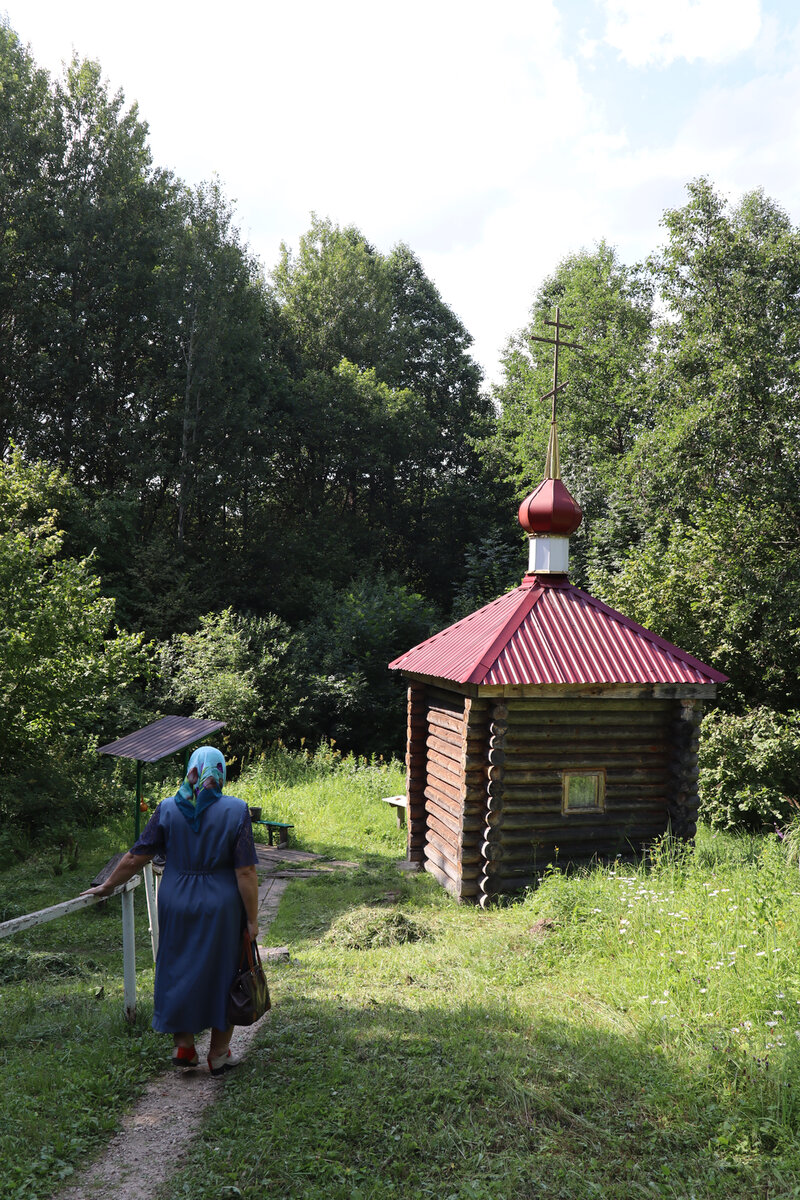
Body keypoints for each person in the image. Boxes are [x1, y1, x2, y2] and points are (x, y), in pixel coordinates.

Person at [83, 745, 260, 1074]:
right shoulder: (236, 811)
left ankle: (184, 1047)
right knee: (224, 970)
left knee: (178, 967)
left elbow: (137, 857)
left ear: (190, 770)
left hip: (176, 900)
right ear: (221, 773)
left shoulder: (167, 809)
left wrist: (107, 884)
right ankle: (219, 1054)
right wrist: (252, 919)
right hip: (221, 905)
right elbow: (246, 872)